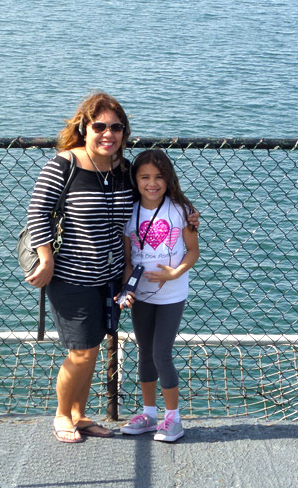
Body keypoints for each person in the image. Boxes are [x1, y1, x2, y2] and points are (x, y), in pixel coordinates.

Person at [25, 92, 199, 443]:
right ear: (84, 128)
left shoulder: (123, 171)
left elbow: (156, 195)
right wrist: (46, 258)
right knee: (81, 350)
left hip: (110, 278)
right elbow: (37, 212)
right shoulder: (65, 164)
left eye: (116, 127)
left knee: (93, 345)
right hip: (70, 276)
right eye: (100, 125)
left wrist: (189, 212)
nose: (108, 133)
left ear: (124, 131)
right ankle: (62, 415)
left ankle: (79, 414)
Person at [117, 149, 200, 442]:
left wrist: (173, 274)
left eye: (159, 177)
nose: (152, 183)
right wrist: (127, 290)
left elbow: (193, 251)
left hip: (171, 295)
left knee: (161, 353)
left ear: (169, 179)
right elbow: (128, 260)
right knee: (144, 352)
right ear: (135, 180)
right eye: (145, 177)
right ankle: (149, 414)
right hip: (142, 296)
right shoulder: (130, 211)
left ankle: (173, 418)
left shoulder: (180, 209)